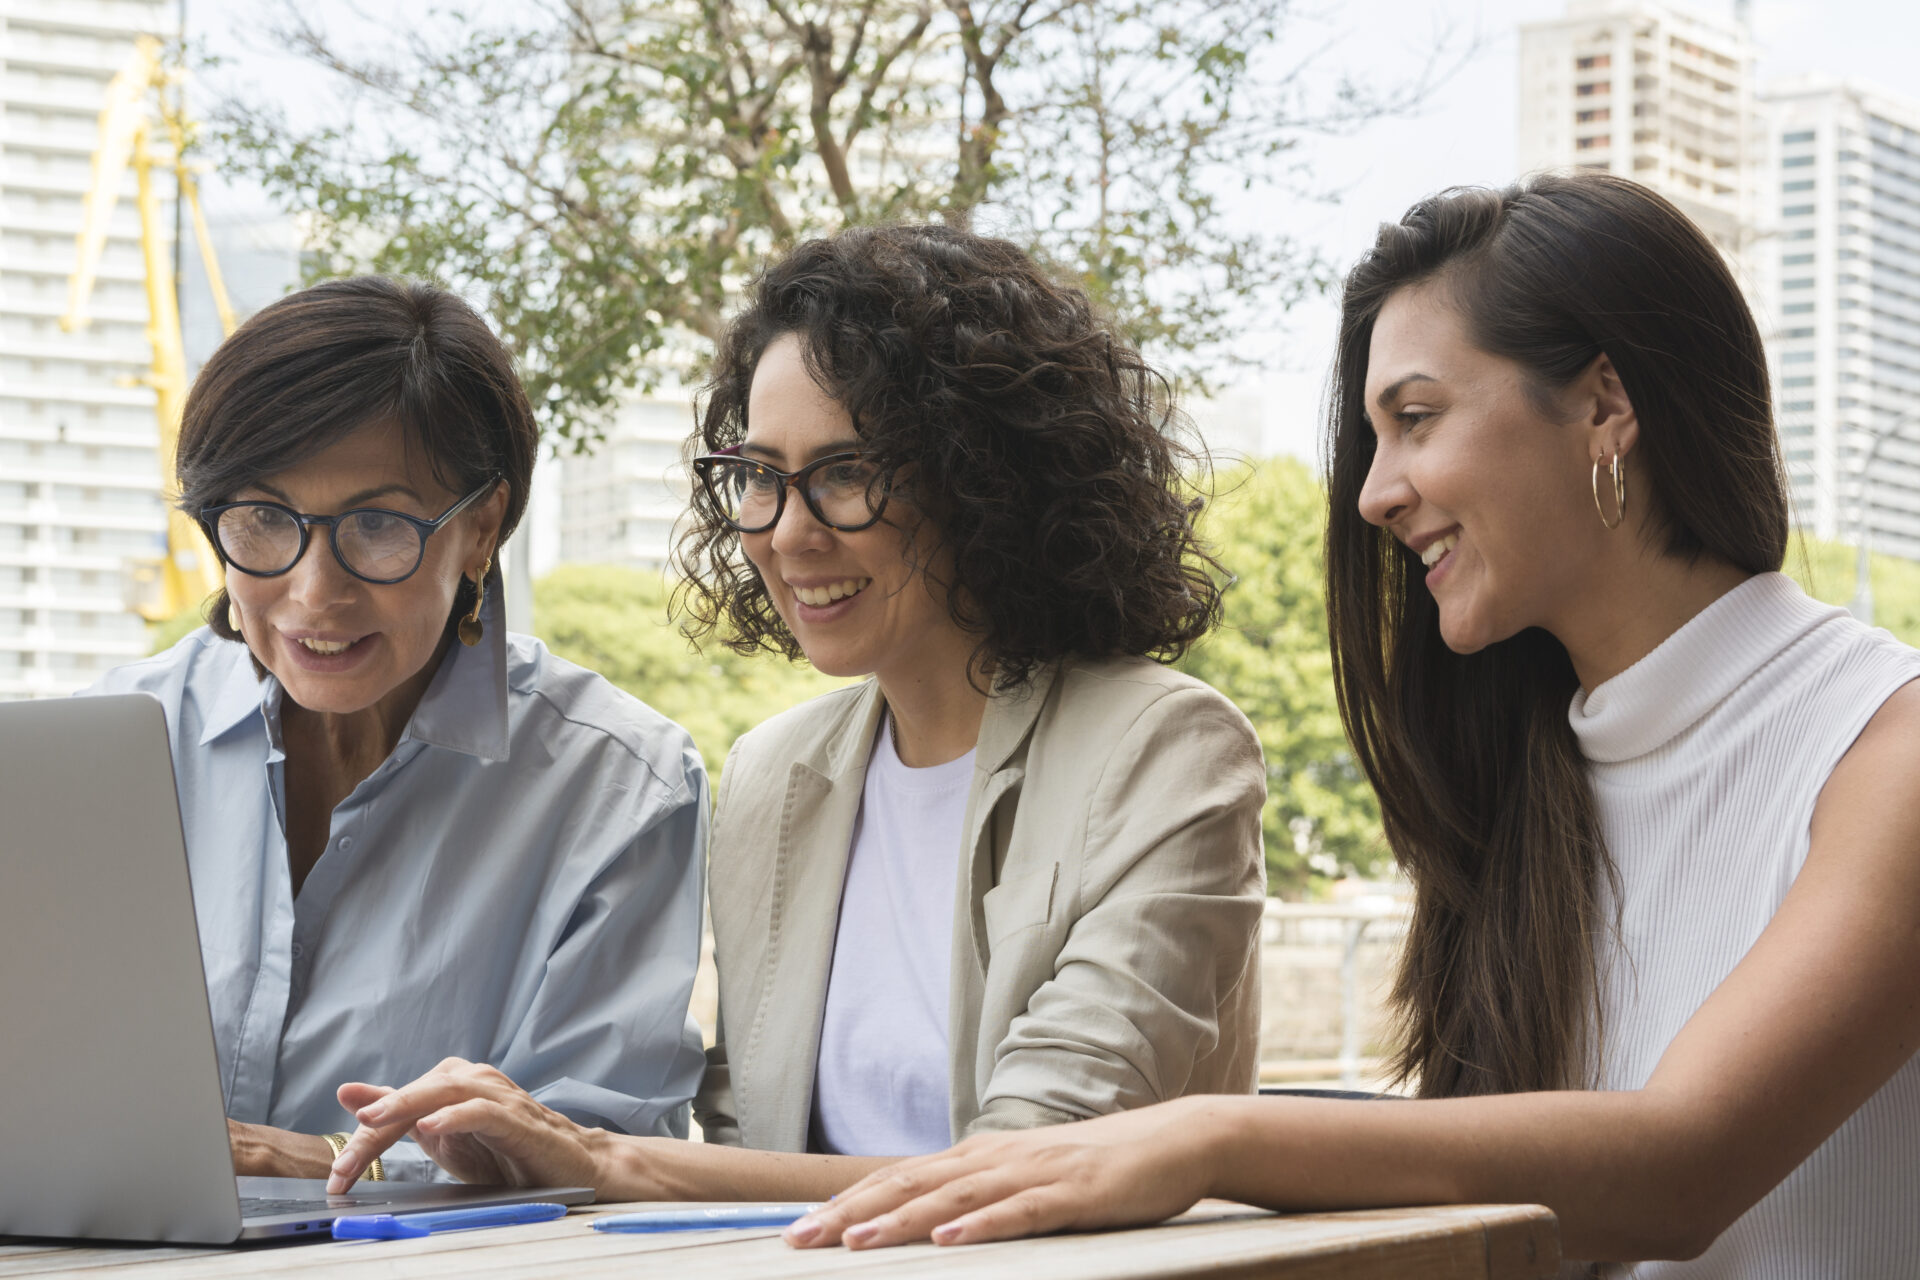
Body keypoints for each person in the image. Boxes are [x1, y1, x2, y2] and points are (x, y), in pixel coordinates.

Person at [776, 174, 1920, 1276]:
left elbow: (1685, 1165)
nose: (1376, 494)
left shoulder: (1884, 749)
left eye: (1415, 418)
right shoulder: (1523, 782)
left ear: (1605, 403)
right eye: (1374, 439)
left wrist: (1214, 1134)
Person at [324, 224, 1268, 1200]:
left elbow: (1036, 1166)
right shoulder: (776, 771)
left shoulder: (1163, 749)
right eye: (761, 476)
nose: (789, 530)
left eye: (848, 472)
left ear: (988, 476)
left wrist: (605, 1157)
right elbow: (746, 1135)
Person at [87, 277, 708, 1182]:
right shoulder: (116, 740)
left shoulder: (619, 787)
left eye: (377, 526)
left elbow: (605, 1160)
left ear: (483, 525)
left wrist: (326, 1163)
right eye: (263, 520)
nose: (314, 594)